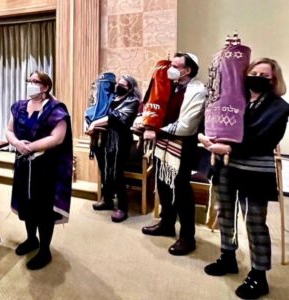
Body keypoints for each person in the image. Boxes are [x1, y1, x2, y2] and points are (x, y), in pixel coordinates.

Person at [201, 58, 289, 299]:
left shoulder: (279, 107)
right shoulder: (234, 100)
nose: (258, 76)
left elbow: (263, 140)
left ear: (273, 80)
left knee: (254, 222)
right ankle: (228, 257)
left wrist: (227, 148)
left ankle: (259, 275)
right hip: (227, 167)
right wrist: (210, 138)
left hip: (255, 170)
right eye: (254, 71)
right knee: (226, 213)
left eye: (265, 74)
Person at [6, 71, 73, 270]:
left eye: (36, 81)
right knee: (27, 205)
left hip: (46, 167)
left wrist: (31, 147)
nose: (31, 84)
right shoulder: (18, 106)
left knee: (43, 209)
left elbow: (58, 137)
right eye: (29, 80)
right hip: (23, 165)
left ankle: (45, 249)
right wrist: (17, 143)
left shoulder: (56, 108)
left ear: (45, 86)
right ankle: (31, 239)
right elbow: (9, 130)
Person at [141, 53, 207, 255]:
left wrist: (156, 130)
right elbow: (154, 109)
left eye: (175, 65)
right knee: (163, 185)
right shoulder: (167, 86)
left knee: (181, 191)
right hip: (162, 144)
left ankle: (188, 237)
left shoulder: (198, 90)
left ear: (187, 70)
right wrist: (145, 123)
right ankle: (167, 223)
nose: (170, 68)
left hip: (182, 145)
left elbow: (187, 125)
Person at [86, 75, 141, 222]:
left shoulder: (132, 101)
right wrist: (91, 123)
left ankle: (122, 207)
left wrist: (94, 124)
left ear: (130, 88)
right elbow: (96, 112)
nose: (119, 86)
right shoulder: (110, 98)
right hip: (102, 141)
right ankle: (107, 200)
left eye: (123, 84)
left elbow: (115, 118)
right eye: (118, 83)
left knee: (117, 174)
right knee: (105, 171)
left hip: (119, 142)